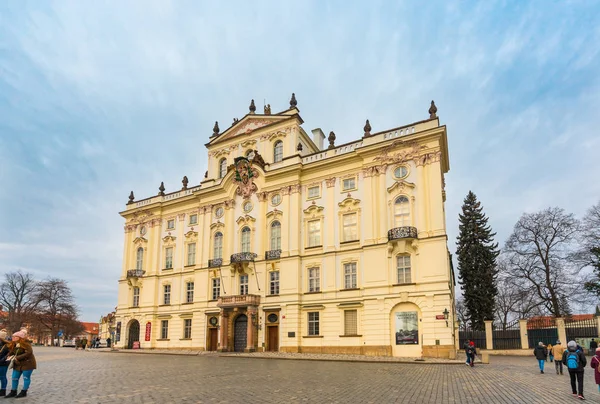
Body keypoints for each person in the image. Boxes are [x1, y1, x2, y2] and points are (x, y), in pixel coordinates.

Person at [4, 330, 37, 398]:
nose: (13, 337)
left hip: (28, 363)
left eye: (15, 336)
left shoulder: (26, 344)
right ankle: (13, 391)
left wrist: (18, 357)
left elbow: (29, 353)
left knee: (26, 378)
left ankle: (24, 391)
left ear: (19, 337)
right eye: (13, 336)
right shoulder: (14, 344)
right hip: (17, 364)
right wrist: (9, 355)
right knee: (14, 378)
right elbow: (12, 352)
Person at [0, 330, 10, 397]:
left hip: (3, 363)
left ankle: (3, 390)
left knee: (2, 376)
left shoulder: (7, 345)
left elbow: (8, 355)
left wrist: (2, 360)